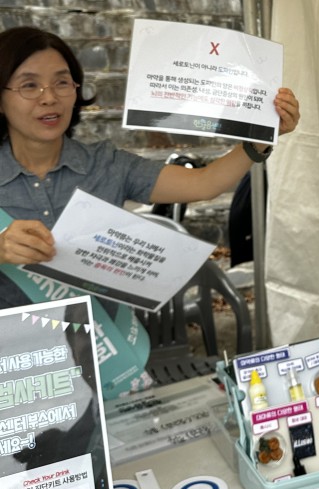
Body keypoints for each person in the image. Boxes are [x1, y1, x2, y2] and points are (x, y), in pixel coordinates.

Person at [0, 25, 299, 303]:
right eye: (29, 85)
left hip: (107, 349)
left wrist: (262, 135)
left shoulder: (107, 164)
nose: (49, 97)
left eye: (62, 82)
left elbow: (206, 183)